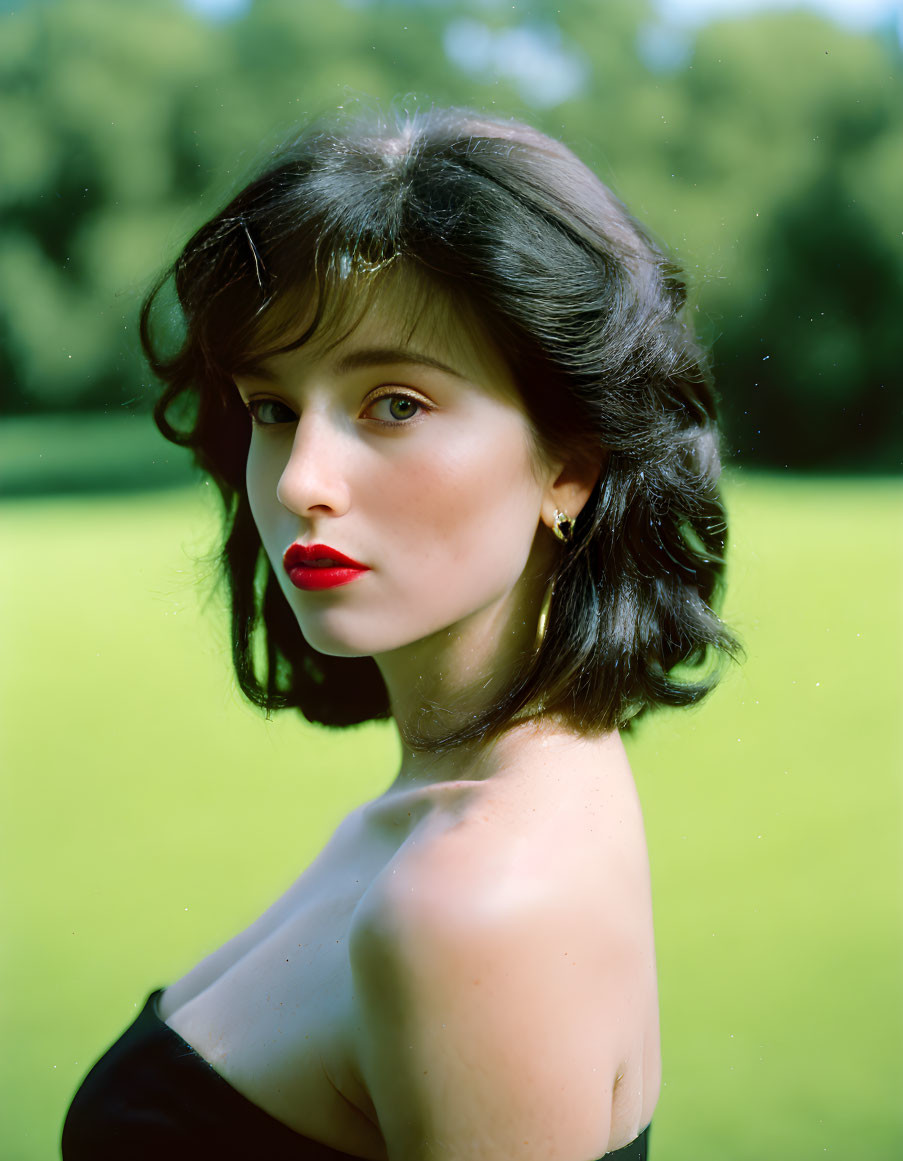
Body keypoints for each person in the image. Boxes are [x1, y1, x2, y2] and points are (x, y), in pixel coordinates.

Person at [62, 104, 736, 1160]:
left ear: (570, 462)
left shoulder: (471, 908)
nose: (298, 482)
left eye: (393, 404)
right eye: (274, 408)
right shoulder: (498, 780)